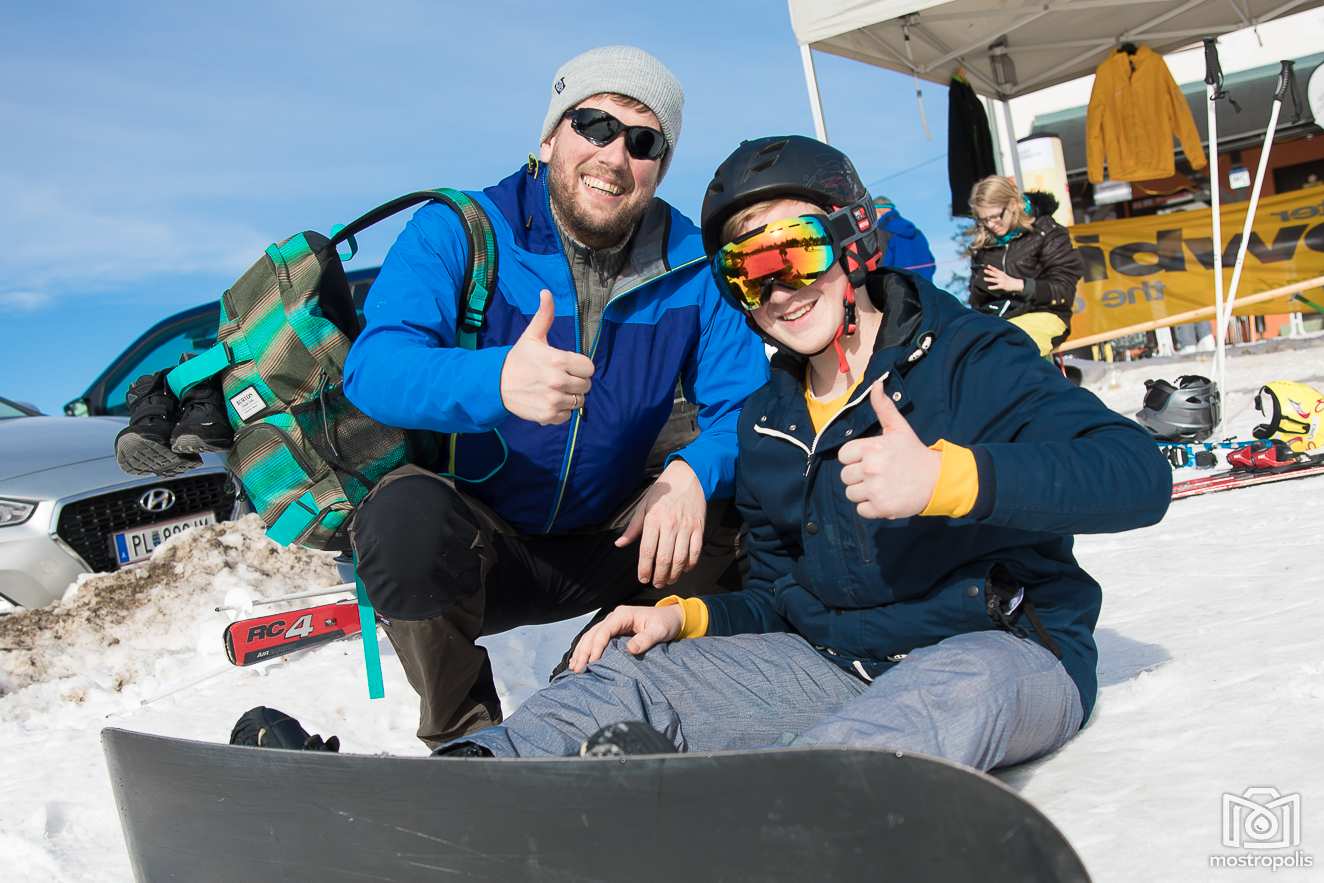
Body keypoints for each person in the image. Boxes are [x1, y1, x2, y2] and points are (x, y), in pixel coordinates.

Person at [430, 136, 1171, 768]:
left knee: (939, 697)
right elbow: (784, 596)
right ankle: (481, 789)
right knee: (627, 674)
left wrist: (952, 476)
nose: (779, 290)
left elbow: (1137, 474)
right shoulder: (769, 420)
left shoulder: (969, 356)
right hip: (837, 664)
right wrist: (685, 620)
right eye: (746, 271)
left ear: (853, 242)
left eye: (799, 251)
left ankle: (788, 817)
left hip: (1000, 650)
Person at [342, 47, 768, 748]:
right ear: (548, 137)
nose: (613, 154)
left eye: (643, 140)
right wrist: (495, 381)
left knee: (741, 502)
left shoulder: (694, 263)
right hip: (482, 548)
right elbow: (375, 367)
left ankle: (603, 698)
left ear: (660, 165)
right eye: (593, 124)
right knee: (400, 516)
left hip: (617, 536)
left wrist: (692, 472)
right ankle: (465, 740)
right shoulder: (462, 229)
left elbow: (746, 409)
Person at [967, 176, 1084, 357]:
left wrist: (1018, 285)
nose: (991, 225)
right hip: (998, 320)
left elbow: (1063, 290)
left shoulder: (1048, 232)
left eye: (996, 216)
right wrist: (981, 289)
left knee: (1010, 349)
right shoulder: (984, 246)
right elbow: (976, 302)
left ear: (1013, 204)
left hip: (1044, 314)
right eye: (984, 220)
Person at [873, 195, 936, 281]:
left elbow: (884, 262)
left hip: (900, 285)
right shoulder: (917, 232)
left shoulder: (883, 231)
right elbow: (931, 261)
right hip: (924, 285)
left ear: (878, 210)